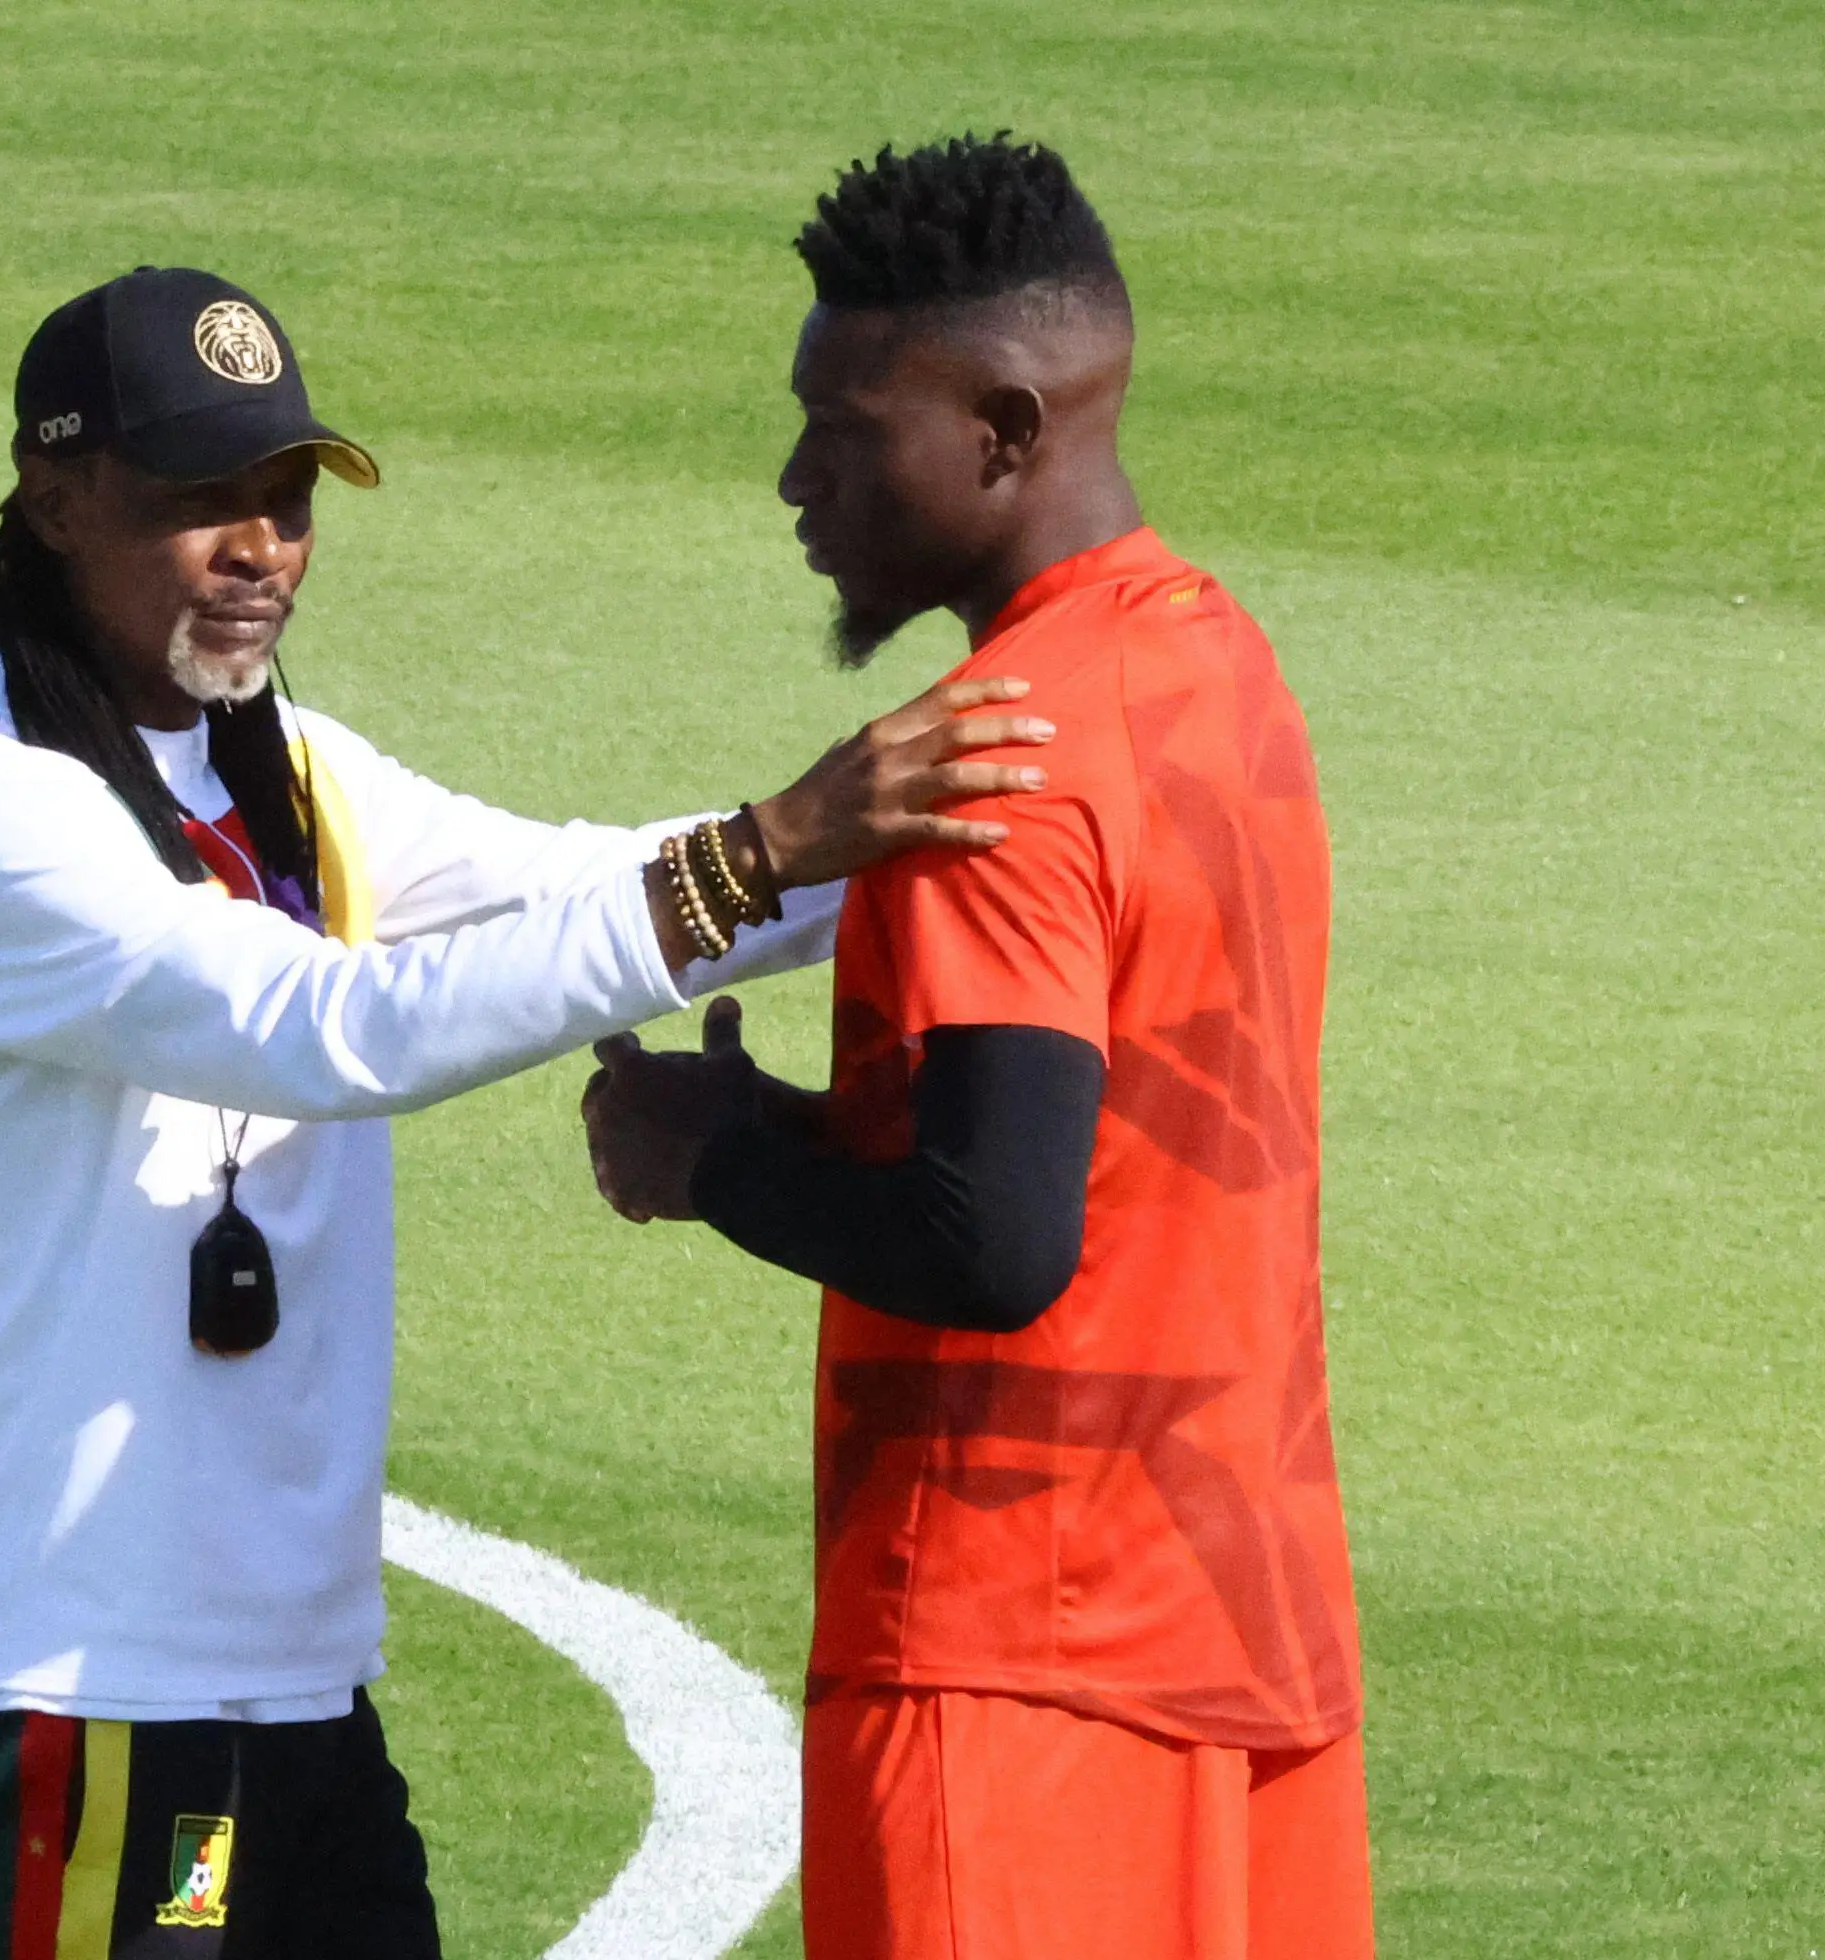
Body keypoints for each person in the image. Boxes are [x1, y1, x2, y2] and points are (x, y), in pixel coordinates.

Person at [0, 264, 1051, 1960]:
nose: (261, 547)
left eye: (285, 498)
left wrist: (985, 827)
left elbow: (599, 885)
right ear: (56, 503)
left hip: (289, 1688)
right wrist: (772, 846)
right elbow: (332, 1031)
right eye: (203, 503)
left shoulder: (287, 768)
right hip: (89, 1692)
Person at [580, 137, 1377, 1958]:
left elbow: (995, 1239)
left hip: (1013, 1672)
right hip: (1245, 1631)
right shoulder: (1219, 671)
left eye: (844, 432)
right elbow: (1100, 1127)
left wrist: (709, 1162)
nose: (796, 481)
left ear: (1006, 429)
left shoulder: (983, 765)